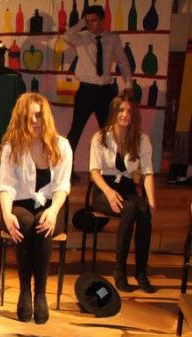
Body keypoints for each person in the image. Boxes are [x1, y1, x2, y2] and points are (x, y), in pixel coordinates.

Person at [0, 92, 72, 324]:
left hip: (51, 204)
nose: (34, 121)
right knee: (23, 221)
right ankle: (24, 291)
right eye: (28, 117)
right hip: (19, 203)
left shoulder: (62, 146)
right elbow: (6, 187)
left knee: (42, 223)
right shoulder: (12, 147)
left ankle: (40, 293)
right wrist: (6, 214)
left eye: (38, 115)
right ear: (20, 118)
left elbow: (62, 186)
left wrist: (54, 210)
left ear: (45, 116)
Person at [89, 93, 156, 293]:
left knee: (144, 210)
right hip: (103, 189)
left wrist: (152, 201)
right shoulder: (100, 137)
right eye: (121, 110)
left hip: (127, 188)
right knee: (129, 210)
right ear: (114, 112)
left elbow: (148, 173)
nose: (125, 114)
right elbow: (94, 172)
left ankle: (141, 272)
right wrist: (109, 192)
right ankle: (119, 270)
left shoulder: (142, 139)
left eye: (129, 111)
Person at [64, 5, 131, 179]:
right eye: (87, 20)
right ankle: (66, 170)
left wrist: (128, 83)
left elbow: (122, 61)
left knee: (110, 132)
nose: (90, 24)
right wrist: (82, 23)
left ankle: (111, 169)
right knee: (76, 130)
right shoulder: (81, 37)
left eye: (93, 20)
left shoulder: (112, 38)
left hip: (105, 91)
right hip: (86, 89)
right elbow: (67, 36)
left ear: (102, 20)